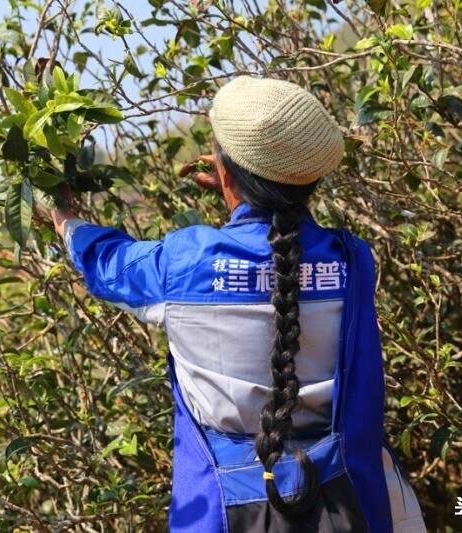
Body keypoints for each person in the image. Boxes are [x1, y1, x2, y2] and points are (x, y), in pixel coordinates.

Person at [48, 76, 426, 532]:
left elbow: (106, 261)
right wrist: (244, 193)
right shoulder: (354, 262)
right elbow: (281, 258)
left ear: (225, 172)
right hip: (352, 503)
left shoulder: (182, 263)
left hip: (224, 511)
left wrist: (65, 217)